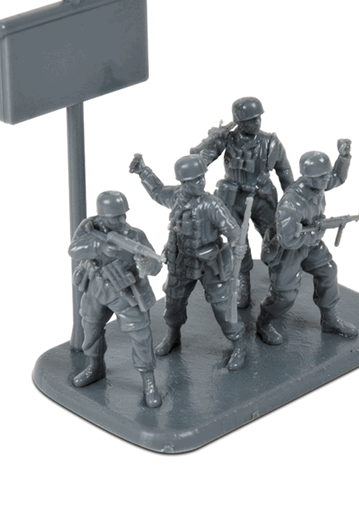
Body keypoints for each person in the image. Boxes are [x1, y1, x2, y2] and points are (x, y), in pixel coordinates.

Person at [129, 153, 249, 371]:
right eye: (194, 180)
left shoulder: (212, 205)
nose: (200, 182)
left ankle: (239, 343)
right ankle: (173, 335)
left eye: (201, 177)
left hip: (210, 264)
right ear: (183, 182)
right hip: (182, 262)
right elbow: (157, 191)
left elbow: (233, 231)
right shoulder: (176, 197)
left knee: (223, 308)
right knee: (173, 305)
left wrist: (237, 246)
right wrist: (143, 171)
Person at [191, 97, 294, 308]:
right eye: (250, 120)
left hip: (263, 197)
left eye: (258, 118)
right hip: (234, 198)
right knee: (238, 243)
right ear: (239, 121)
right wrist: (208, 142)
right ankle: (242, 283)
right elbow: (201, 162)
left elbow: (284, 171)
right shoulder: (227, 140)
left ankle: (279, 282)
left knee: (275, 237)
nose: (256, 123)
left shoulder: (270, 142)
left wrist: (292, 201)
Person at [257, 140, 359, 345]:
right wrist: (315, 234)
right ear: (308, 177)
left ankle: (329, 319)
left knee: (328, 270)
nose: (326, 179)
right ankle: (263, 323)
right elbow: (288, 240)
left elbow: (338, 177)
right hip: (289, 250)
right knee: (284, 295)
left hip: (310, 243)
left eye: (326, 175)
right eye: (322, 176)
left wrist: (344, 158)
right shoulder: (291, 204)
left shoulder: (319, 184)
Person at [68, 191, 163, 408]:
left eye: (123, 215)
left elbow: (156, 265)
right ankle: (95, 366)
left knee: (140, 335)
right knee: (91, 328)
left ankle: (148, 381)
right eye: (115, 217)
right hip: (96, 288)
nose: (121, 220)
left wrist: (148, 265)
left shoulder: (134, 235)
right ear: (101, 217)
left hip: (126, 291)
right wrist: (99, 247)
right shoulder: (90, 229)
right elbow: (73, 250)